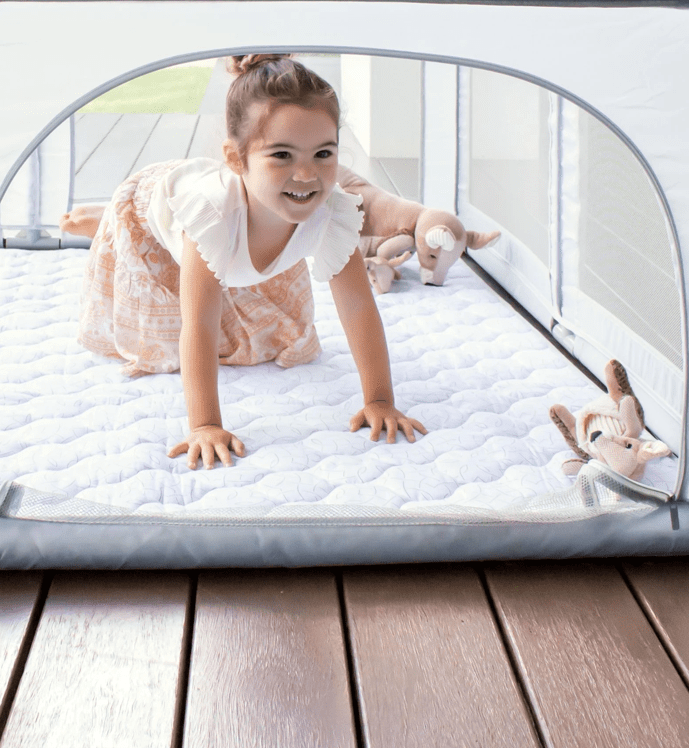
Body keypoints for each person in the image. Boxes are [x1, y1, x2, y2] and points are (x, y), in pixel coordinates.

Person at [63, 54, 426, 469]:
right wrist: (205, 424)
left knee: (278, 328)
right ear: (237, 160)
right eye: (283, 155)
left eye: (323, 153)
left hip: (255, 219)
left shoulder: (331, 212)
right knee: (167, 328)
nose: (306, 174)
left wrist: (379, 399)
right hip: (153, 212)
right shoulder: (212, 218)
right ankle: (104, 219)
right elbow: (199, 325)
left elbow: (358, 306)